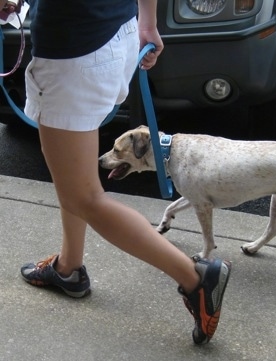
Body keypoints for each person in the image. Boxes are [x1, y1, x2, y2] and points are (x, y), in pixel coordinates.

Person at [5, 0, 231, 345]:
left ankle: (196, 278)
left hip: (73, 51)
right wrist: (148, 21)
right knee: (75, 178)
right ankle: (69, 267)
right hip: (117, 32)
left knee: (83, 197)